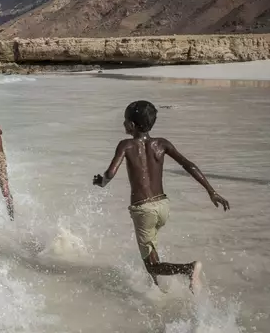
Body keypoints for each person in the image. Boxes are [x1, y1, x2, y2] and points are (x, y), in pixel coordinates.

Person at [93, 100, 230, 291]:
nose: (123, 124)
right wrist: (211, 192)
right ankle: (160, 291)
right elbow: (188, 165)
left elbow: (109, 174)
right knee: (152, 256)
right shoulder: (162, 144)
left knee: (151, 265)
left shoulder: (126, 145)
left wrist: (100, 182)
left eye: (125, 121)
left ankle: (189, 269)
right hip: (163, 206)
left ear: (132, 125)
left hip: (144, 210)